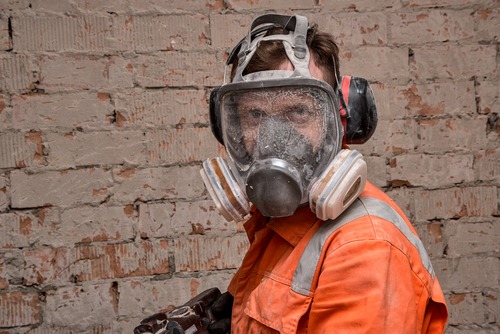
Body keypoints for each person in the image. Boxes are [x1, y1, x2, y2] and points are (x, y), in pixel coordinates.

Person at [135, 13, 448, 334]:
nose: (275, 136)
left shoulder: (363, 249)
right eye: (255, 114)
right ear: (230, 126)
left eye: (298, 111)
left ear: (343, 120)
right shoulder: (283, 226)